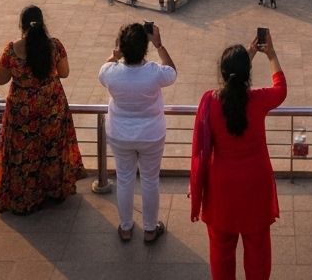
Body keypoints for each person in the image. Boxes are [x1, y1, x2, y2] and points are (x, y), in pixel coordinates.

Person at [190, 34, 286, 279]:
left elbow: (200, 150)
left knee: (221, 253)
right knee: (258, 250)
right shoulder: (258, 99)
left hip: (221, 189)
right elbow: (280, 89)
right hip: (255, 185)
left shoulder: (209, 101)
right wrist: (271, 55)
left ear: (222, 73)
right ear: (247, 74)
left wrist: (247, 57)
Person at [0, 6, 84, 214]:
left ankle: (25, 197)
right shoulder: (55, 46)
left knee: (24, 154)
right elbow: (65, 73)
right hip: (51, 106)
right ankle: (54, 191)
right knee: (51, 149)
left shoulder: (11, 50)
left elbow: (1, 79)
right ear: (43, 23)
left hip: (22, 111)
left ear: (21, 25)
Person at [98, 23, 177, 243]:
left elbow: (103, 71)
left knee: (124, 180)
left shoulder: (111, 72)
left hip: (120, 133)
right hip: (151, 134)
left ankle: (125, 227)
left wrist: (115, 54)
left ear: (121, 46)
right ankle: (150, 229)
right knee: (150, 180)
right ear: (145, 48)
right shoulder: (154, 72)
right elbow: (172, 72)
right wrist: (159, 44)